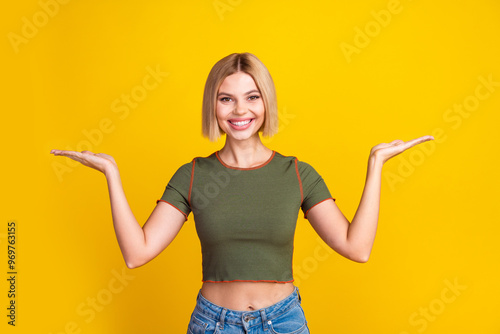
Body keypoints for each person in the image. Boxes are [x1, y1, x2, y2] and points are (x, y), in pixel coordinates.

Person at [50, 52, 434, 333]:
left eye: (252, 97)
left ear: (266, 103)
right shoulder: (193, 174)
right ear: (213, 105)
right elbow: (137, 254)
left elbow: (357, 247)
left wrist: (376, 166)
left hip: (283, 322)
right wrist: (112, 175)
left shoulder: (297, 174)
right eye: (226, 98)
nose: (240, 110)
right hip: (213, 324)